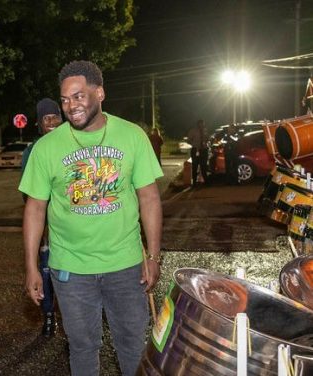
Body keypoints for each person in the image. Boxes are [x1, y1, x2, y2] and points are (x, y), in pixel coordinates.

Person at [20, 60, 163, 376]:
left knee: (133, 346)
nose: (71, 106)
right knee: (83, 348)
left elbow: (149, 198)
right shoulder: (46, 148)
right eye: (66, 99)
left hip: (126, 266)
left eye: (79, 96)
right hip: (71, 269)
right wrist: (31, 265)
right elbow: (34, 209)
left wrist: (153, 255)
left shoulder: (132, 136)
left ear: (99, 93)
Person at [21, 98, 62, 337]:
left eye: (55, 116)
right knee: (45, 271)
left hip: (72, 226)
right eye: (46, 118)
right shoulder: (32, 152)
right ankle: (49, 315)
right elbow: (30, 199)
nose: (51, 121)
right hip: (46, 227)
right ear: (39, 124)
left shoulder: (73, 143)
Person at [187, 119, 209, 186]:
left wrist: (206, 141)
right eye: (201, 124)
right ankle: (194, 182)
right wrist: (194, 144)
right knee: (195, 166)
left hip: (204, 150)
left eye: (203, 124)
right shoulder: (193, 131)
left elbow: (207, 138)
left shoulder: (205, 131)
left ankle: (206, 181)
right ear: (198, 124)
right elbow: (188, 140)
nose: (202, 125)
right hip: (196, 149)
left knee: (204, 166)